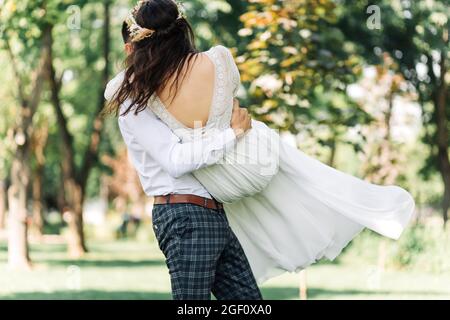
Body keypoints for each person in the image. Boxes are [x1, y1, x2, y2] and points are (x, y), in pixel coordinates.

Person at [105, 0, 415, 299]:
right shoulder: (132, 96)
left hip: (212, 213)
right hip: (183, 213)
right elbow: (174, 161)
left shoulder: (165, 84)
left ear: (134, 47)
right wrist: (232, 134)